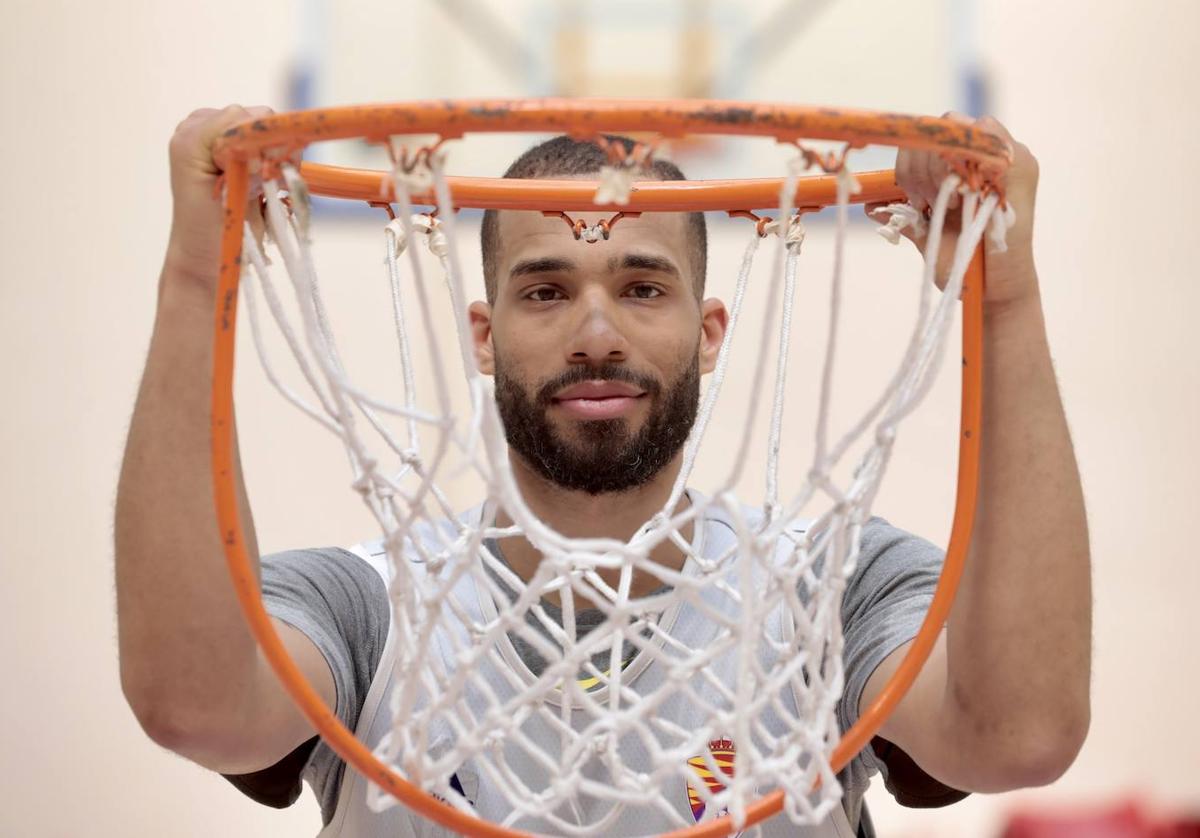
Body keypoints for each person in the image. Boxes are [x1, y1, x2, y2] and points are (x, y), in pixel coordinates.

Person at [116, 105, 1092, 837]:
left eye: (641, 285)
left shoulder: (825, 590)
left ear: (710, 332)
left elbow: (1020, 735)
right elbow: (196, 708)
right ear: (484, 336)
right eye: (546, 289)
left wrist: (1005, 303)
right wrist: (195, 277)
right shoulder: (371, 605)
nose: (594, 332)